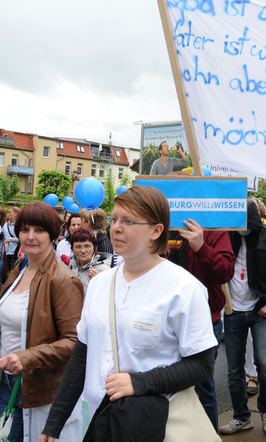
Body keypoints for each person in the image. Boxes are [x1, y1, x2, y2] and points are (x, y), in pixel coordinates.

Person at [40, 186, 217, 441]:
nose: (116, 228)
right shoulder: (99, 284)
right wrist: (54, 423)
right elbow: (82, 355)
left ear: (156, 230)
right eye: (114, 219)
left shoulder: (184, 288)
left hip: (148, 423)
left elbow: (202, 364)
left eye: (128, 221)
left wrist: (139, 382)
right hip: (97, 420)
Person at [0, 202, 84, 442]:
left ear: (53, 234)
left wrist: (27, 358)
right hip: (5, 381)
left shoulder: (63, 280)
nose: (30, 236)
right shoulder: (20, 269)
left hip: (34, 388)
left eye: (39, 230)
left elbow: (74, 342)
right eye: (24, 229)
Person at [219, 200, 266, 436]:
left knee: (265, 363)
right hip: (233, 311)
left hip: (260, 309)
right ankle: (241, 416)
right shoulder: (226, 236)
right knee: (234, 369)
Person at [166, 217, 234, 432]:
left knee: (202, 386)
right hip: (163, 320)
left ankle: (208, 434)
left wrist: (201, 247)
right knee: (166, 387)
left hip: (204, 321)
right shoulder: (160, 224)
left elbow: (225, 271)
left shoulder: (213, 227)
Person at [69, 227, 113, 292]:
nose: (83, 251)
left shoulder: (104, 270)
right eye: (78, 247)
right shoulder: (69, 267)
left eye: (87, 246)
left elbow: (111, 294)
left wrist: (100, 283)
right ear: (72, 249)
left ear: (94, 247)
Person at [1, 206, 21, 278]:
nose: (8, 214)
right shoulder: (5, 225)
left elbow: (20, 239)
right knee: (0, 269)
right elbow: (3, 238)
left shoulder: (19, 226)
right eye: (8, 212)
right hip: (5, 250)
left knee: (12, 270)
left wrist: (10, 240)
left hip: (14, 252)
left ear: (15, 214)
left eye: (10, 212)